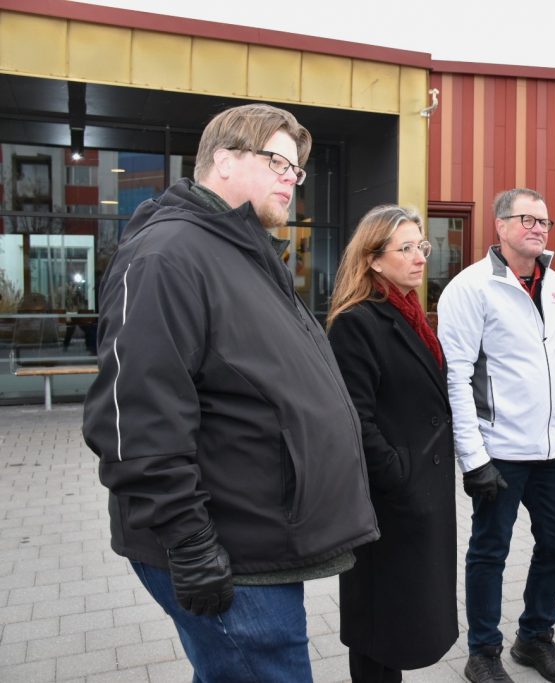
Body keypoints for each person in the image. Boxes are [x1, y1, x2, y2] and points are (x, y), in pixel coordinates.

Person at [82, 103, 379, 682]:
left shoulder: (240, 251)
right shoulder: (168, 255)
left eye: (296, 171)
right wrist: (191, 545)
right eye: (278, 163)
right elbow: (133, 420)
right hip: (223, 551)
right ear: (222, 159)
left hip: (253, 539)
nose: (292, 180)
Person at [437, 188, 555, 683]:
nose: (537, 228)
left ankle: (534, 637)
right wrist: (473, 457)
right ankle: (483, 650)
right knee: (490, 550)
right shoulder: (471, 287)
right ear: (500, 226)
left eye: (544, 221)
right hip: (500, 450)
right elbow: (455, 375)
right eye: (526, 219)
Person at [325, 205, 458, 682]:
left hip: (418, 492)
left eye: (422, 246)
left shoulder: (409, 313)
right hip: (388, 502)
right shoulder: (356, 322)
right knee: (377, 625)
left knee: (402, 618)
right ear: (374, 259)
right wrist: (398, 473)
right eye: (406, 248)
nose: (421, 256)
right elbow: (352, 418)